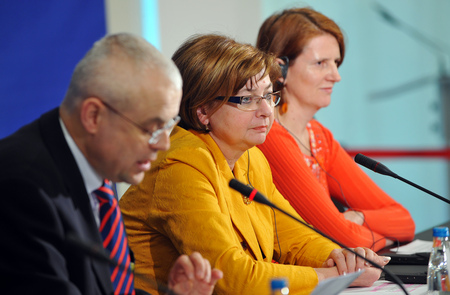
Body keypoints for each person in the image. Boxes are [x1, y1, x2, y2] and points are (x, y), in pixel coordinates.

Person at [119, 34, 391, 295]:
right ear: (203, 111)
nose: (265, 111)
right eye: (247, 99)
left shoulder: (250, 156)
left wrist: (342, 257)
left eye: (268, 95)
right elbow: (232, 279)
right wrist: (335, 276)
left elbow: (294, 236)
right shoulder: (180, 165)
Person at [0, 33, 222, 295]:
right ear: (93, 116)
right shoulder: (22, 188)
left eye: (168, 125)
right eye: (152, 128)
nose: (163, 143)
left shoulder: (98, 167)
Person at [256, 7, 415, 252]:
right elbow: (345, 240)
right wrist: (382, 237)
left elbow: (404, 220)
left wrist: (359, 218)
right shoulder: (268, 135)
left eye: (336, 63)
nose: (336, 76)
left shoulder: (318, 137)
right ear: (280, 69)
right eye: (321, 63)